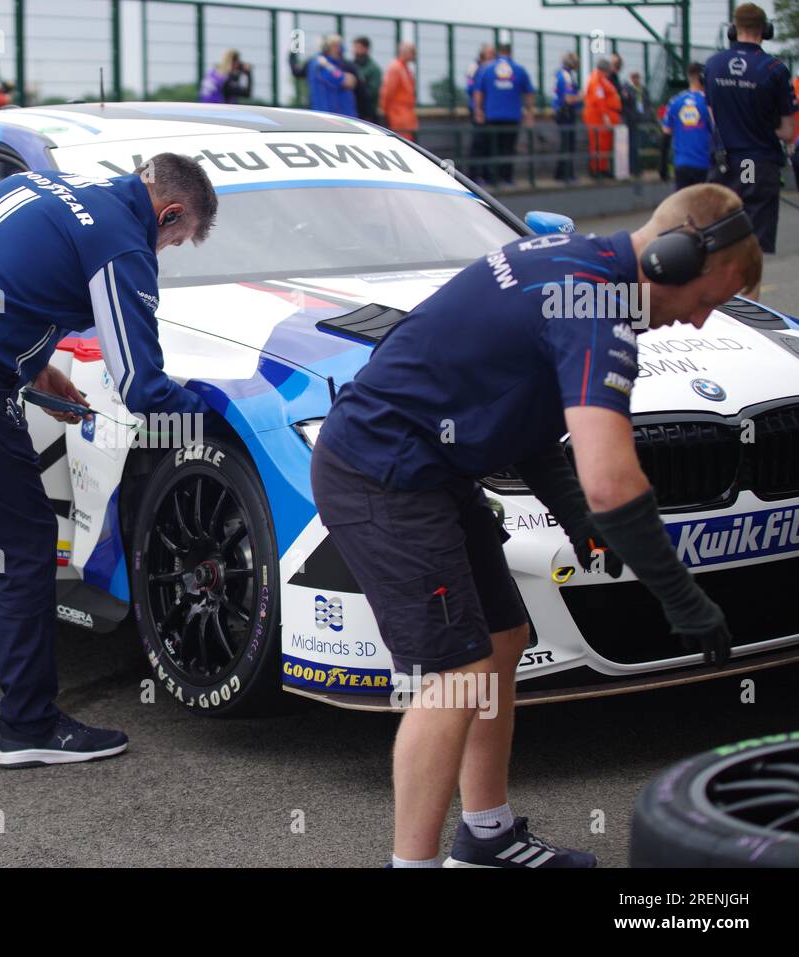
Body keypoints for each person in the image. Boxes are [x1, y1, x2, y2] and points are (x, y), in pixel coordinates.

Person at [311, 183, 759, 868]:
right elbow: (613, 478)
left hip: (430, 465)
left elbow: (521, 412)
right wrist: (681, 596)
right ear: (669, 259)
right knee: (457, 674)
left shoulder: (576, 266)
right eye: (706, 299)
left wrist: (575, 513)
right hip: (383, 474)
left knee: (501, 638)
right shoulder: (598, 305)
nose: (699, 321)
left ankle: (485, 834)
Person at [0, 155, 218, 776]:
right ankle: (29, 725)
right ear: (170, 213)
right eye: (175, 241)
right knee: (24, 545)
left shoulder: (47, 182)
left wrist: (31, 365)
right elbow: (139, 383)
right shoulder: (124, 238)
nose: (165, 253)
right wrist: (214, 419)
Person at [704, 2, 796, 289]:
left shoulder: (713, 64)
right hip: (758, 165)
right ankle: (748, 313)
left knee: (719, 238)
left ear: (734, 29)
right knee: (751, 247)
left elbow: (713, 116)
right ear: (764, 31)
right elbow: (787, 131)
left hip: (722, 165)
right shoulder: (775, 69)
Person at [472, 43, 535, 187]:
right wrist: (529, 113)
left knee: (491, 148)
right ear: (511, 53)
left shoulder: (486, 68)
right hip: (512, 116)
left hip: (492, 115)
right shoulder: (519, 69)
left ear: (499, 52)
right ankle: (506, 178)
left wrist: (478, 111)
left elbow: (478, 92)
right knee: (508, 148)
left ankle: (491, 178)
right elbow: (529, 93)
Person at [662, 63, 712, 190]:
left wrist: (662, 165)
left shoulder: (674, 102)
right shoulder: (709, 102)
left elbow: (665, 135)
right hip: (704, 165)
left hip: (681, 165)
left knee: (684, 207)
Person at [583, 55, 621, 177]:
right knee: (598, 144)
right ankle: (596, 170)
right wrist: (606, 116)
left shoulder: (601, 79)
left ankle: (603, 168)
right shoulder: (596, 80)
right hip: (598, 117)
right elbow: (599, 100)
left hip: (604, 115)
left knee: (604, 145)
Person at [465, 44, 495, 183]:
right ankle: (474, 174)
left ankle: (487, 174)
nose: (491, 55)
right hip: (477, 109)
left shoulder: (492, 67)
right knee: (478, 143)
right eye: (489, 53)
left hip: (490, 110)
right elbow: (471, 87)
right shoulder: (475, 67)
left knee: (489, 143)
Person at [307, 35, 357, 118]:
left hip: (338, 115)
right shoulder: (322, 65)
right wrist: (332, 68)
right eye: (336, 46)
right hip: (331, 116)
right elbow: (347, 81)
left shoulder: (332, 63)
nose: (340, 49)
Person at [552, 51, 582, 183]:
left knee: (566, 143)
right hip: (566, 114)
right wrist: (582, 96)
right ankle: (566, 174)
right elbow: (569, 99)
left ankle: (561, 173)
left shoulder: (561, 74)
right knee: (568, 144)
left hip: (562, 113)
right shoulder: (567, 76)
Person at [381, 41, 418, 140]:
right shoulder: (396, 68)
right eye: (413, 52)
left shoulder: (404, 68)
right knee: (403, 143)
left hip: (404, 116)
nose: (415, 55)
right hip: (398, 116)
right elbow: (388, 92)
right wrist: (384, 111)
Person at [351, 36, 382, 124]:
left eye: (358, 48)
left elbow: (372, 92)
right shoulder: (351, 66)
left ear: (366, 49)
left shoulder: (373, 68)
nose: (355, 51)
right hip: (354, 112)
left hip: (367, 114)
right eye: (354, 48)